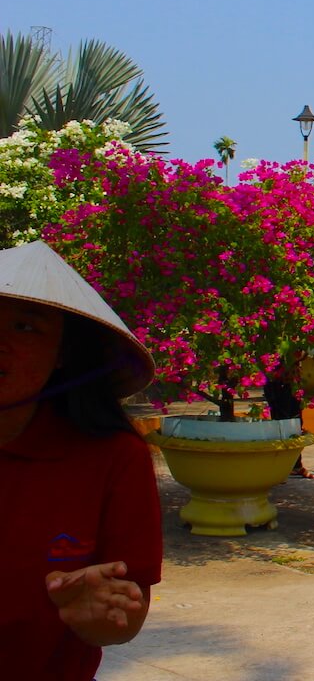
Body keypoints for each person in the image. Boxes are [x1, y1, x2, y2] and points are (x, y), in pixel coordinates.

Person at [0, 241, 162, 680]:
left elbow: (126, 611)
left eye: (24, 327)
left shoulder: (113, 458)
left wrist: (103, 619)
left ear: (63, 355)